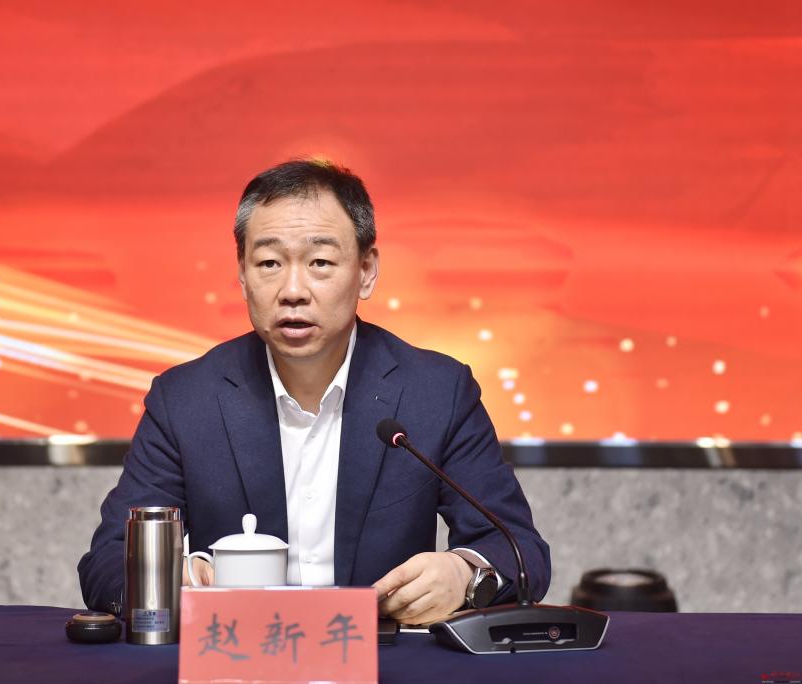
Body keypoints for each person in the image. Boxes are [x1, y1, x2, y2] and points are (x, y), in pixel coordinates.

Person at [78, 159, 550, 624]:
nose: (293, 290)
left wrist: (464, 574)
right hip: (237, 658)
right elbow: (105, 564)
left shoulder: (436, 391)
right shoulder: (185, 400)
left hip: (384, 658)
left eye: (320, 262)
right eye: (269, 263)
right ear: (242, 275)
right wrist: (170, 580)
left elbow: (519, 550)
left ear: (366, 271)